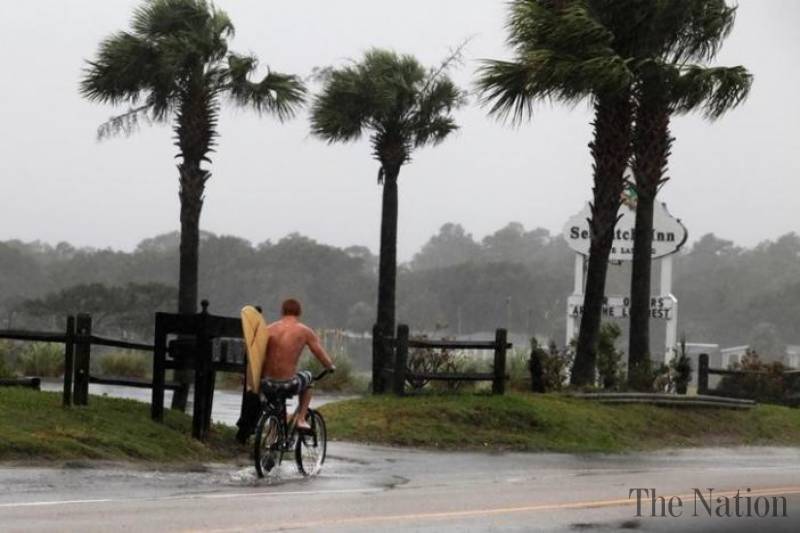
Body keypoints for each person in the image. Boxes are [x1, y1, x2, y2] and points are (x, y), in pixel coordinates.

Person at [262, 298, 335, 431]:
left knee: (275, 406)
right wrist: (330, 366)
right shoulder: (304, 331)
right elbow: (320, 354)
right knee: (309, 378)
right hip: (289, 383)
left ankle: (272, 435)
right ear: (299, 312)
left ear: (282, 311)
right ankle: (301, 418)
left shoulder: (268, 329)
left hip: (267, 383)